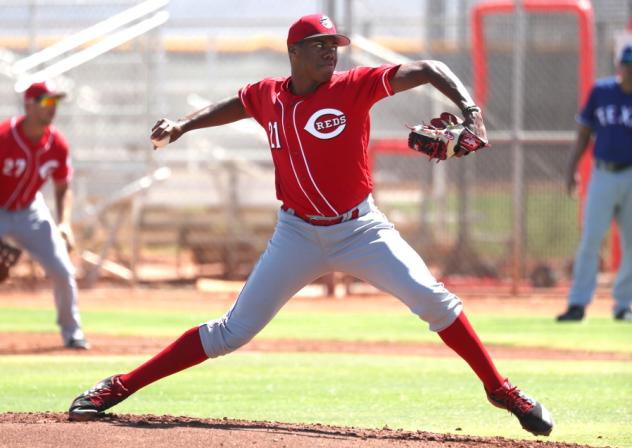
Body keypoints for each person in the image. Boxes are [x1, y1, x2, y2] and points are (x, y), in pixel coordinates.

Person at [69, 14, 553, 435]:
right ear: (293, 52)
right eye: (320, 45)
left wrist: (472, 113)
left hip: (361, 229)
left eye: (334, 45)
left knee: (435, 300)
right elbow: (235, 104)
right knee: (230, 333)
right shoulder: (267, 96)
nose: (330, 52)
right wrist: (182, 125)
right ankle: (120, 385)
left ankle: (501, 390)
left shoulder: (353, 86)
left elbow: (429, 69)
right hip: (296, 234)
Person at [0, 81, 89, 349]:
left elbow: (63, 187)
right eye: (47, 102)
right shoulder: (4, 136)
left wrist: (64, 223)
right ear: (29, 104)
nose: (53, 108)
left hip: (31, 211)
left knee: (62, 270)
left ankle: (72, 332)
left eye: (56, 102)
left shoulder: (57, 144)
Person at [557, 44, 632, 323]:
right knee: (590, 240)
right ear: (619, 66)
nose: (629, 72)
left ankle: (623, 304)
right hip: (603, 173)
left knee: (631, 244)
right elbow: (584, 133)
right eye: (627, 66)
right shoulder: (602, 92)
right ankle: (577, 303)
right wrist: (571, 169)